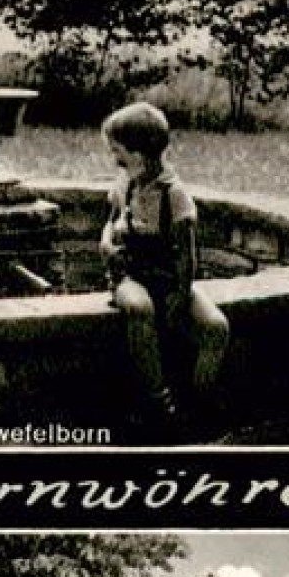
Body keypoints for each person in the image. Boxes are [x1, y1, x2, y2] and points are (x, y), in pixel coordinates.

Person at [100, 102, 229, 434]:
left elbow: (187, 253)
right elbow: (111, 222)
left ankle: (200, 403)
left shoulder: (175, 196)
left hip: (169, 275)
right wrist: (106, 245)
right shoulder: (125, 184)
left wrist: (181, 293)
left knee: (216, 328)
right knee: (139, 307)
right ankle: (159, 402)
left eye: (118, 152)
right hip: (130, 273)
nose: (114, 159)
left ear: (140, 154)